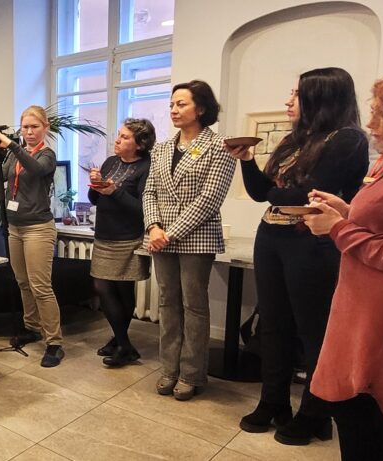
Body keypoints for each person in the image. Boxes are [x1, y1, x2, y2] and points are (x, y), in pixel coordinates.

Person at [228, 67, 368, 445]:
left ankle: (315, 414)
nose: (288, 101)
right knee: (273, 325)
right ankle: (273, 402)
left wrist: (278, 194)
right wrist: (246, 159)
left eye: (296, 94)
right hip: (272, 236)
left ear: (320, 97)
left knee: (313, 331)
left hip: (313, 241)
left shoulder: (348, 139)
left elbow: (308, 195)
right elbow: (261, 193)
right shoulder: (295, 139)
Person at [304, 65, 383, 461]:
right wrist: (346, 211)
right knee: (352, 413)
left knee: (377, 421)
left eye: (381, 116)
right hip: (359, 306)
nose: (370, 124)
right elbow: (382, 224)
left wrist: (338, 228)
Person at [143, 80, 236, 400]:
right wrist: (154, 227)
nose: (173, 109)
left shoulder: (220, 145)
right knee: (167, 303)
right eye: (171, 104)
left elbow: (210, 199)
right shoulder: (161, 148)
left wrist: (170, 233)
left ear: (202, 108)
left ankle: (191, 373)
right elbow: (149, 192)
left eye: (181, 104)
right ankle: (169, 368)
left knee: (193, 306)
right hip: (160, 237)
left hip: (196, 236)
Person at [0, 105, 65, 368]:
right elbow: (0, 179)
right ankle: (31, 327)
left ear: (45, 127)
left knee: (40, 286)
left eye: (34, 127)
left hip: (38, 228)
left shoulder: (47, 154)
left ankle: (54, 342)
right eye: (25, 127)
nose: (29, 132)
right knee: (23, 282)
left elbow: (35, 169)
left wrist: (12, 145)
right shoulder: (14, 155)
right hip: (15, 227)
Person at [88, 118, 155, 368]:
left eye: (124, 137)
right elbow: (95, 199)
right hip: (103, 235)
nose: (117, 140)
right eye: (119, 135)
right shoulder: (111, 162)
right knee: (103, 287)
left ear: (140, 144)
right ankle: (123, 342)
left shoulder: (146, 167)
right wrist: (96, 185)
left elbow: (143, 209)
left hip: (128, 238)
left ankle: (121, 342)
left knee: (123, 291)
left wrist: (114, 191)